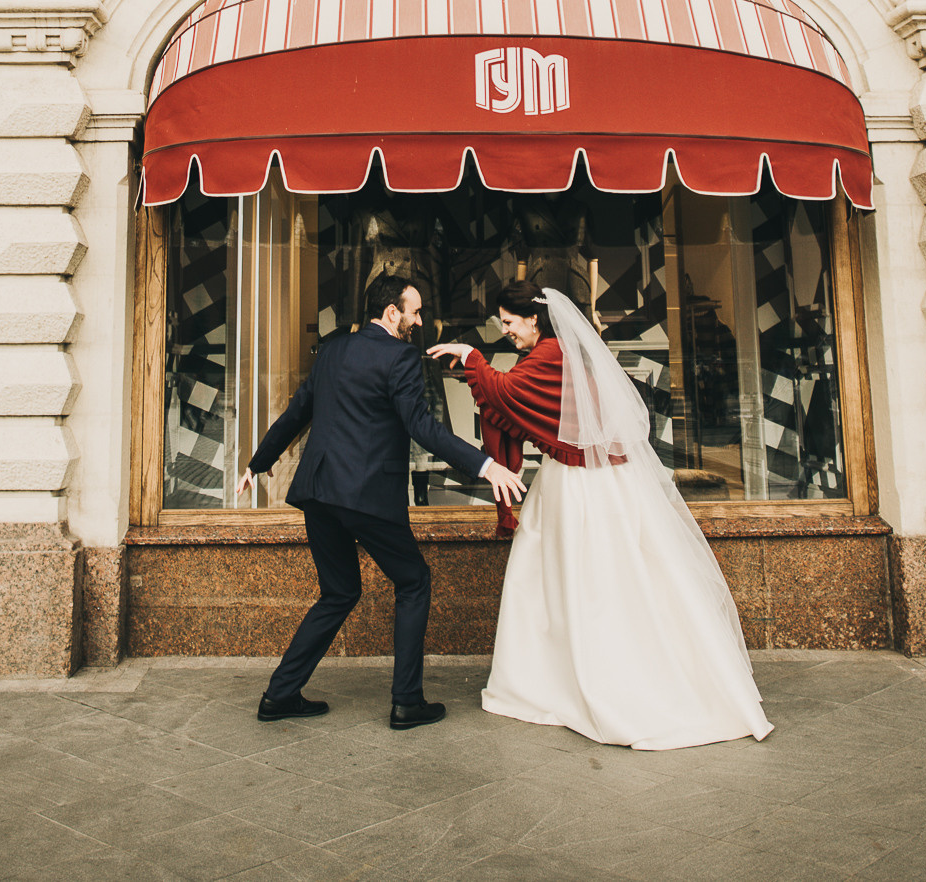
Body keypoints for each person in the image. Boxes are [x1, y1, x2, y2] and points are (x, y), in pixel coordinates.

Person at [428, 278, 772, 750]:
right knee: (594, 578)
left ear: (533, 318)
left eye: (509, 323)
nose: (506, 331)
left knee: (572, 580)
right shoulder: (561, 353)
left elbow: (505, 394)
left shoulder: (549, 355)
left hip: (578, 486)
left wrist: (471, 358)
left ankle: (565, 678)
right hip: (591, 478)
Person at [238, 273, 526, 730]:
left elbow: (297, 411)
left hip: (318, 492)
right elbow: (423, 428)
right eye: (414, 311)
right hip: (367, 495)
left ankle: (279, 695)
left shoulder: (332, 350)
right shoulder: (401, 357)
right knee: (413, 582)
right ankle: (407, 702)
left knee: (338, 592)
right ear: (391, 312)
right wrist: (485, 466)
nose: (418, 320)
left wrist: (257, 463)